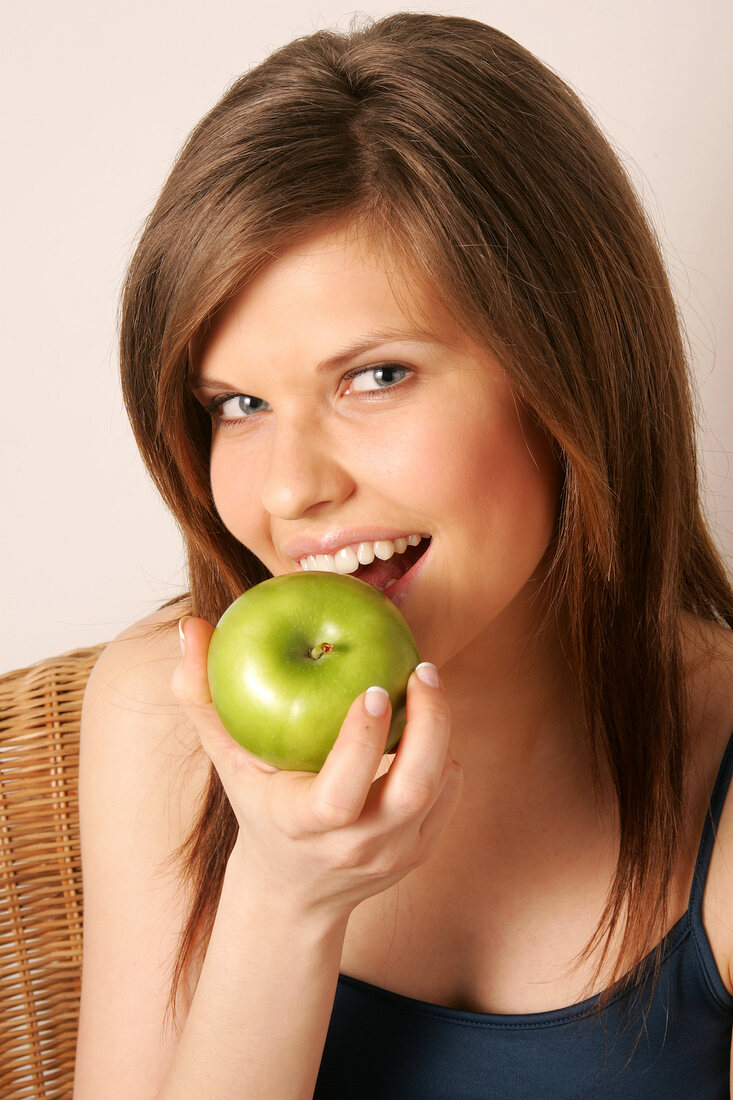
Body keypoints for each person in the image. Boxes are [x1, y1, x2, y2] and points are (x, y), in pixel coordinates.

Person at [72, 12, 733, 1098]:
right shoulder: (164, 720)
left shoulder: (714, 765)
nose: (289, 489)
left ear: (568, 369)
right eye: (236, 403)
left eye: (374, 375)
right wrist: (282, 902)